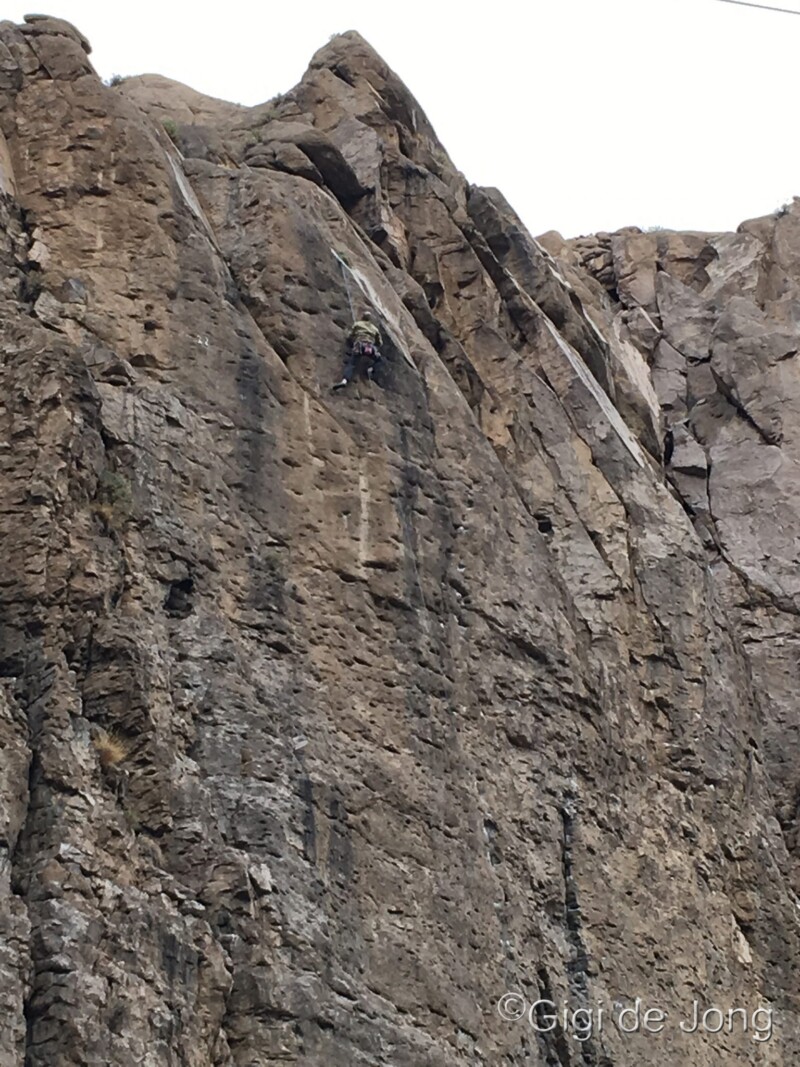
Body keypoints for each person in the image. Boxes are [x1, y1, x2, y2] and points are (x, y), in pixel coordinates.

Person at [332, 310, 382, 390]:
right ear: (369, 319)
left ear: (362, 317)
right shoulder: (375, 329)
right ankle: (371, 369)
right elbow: (379, 342)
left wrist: (352, 340)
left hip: (359, 346)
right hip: (370, 347)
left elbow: (350, 336)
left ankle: (344, 381)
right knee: (379, 360)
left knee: (352, 364)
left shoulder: (357, 324)